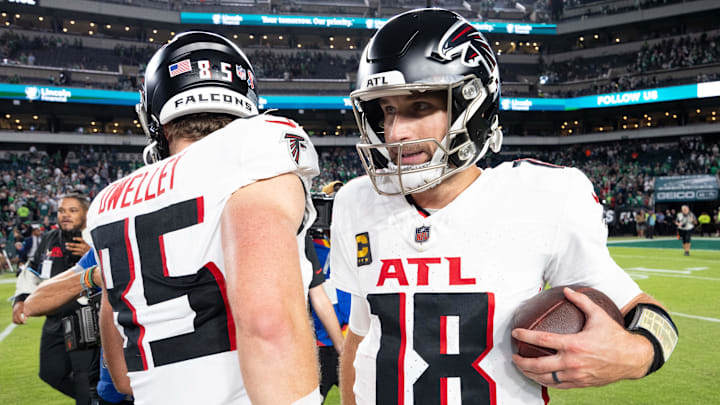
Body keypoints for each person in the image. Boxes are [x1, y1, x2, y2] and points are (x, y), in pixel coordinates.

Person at [331, 9, 679, 405]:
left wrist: (634, 354)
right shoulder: (356, 201)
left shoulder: (542, 196)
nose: (396, 131)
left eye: (420, 107)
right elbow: (361, 336)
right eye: (388, 110)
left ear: (473, 106)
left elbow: (648, 315)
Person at [83, 31, 321, 404]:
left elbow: (123, 377)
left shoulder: (106, 203)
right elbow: (267, 323)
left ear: (154, 116)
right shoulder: (257, 153)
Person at [12, 193, 98, 405]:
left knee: (84, 380)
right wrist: (22, 298)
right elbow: (32, 271)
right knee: (50, 373)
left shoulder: (97, 238)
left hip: (86, 320)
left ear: (86, 214)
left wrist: (91, 254)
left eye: (72, 210)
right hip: (54, 319)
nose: (65, 215)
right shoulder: (49, 240)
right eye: (61, 211)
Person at [23, 248, 133, 404]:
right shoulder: (102, 249)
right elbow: (33, 304)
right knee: (54, 373)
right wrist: (91, 276)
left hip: (158, 382)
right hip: (113, 390)